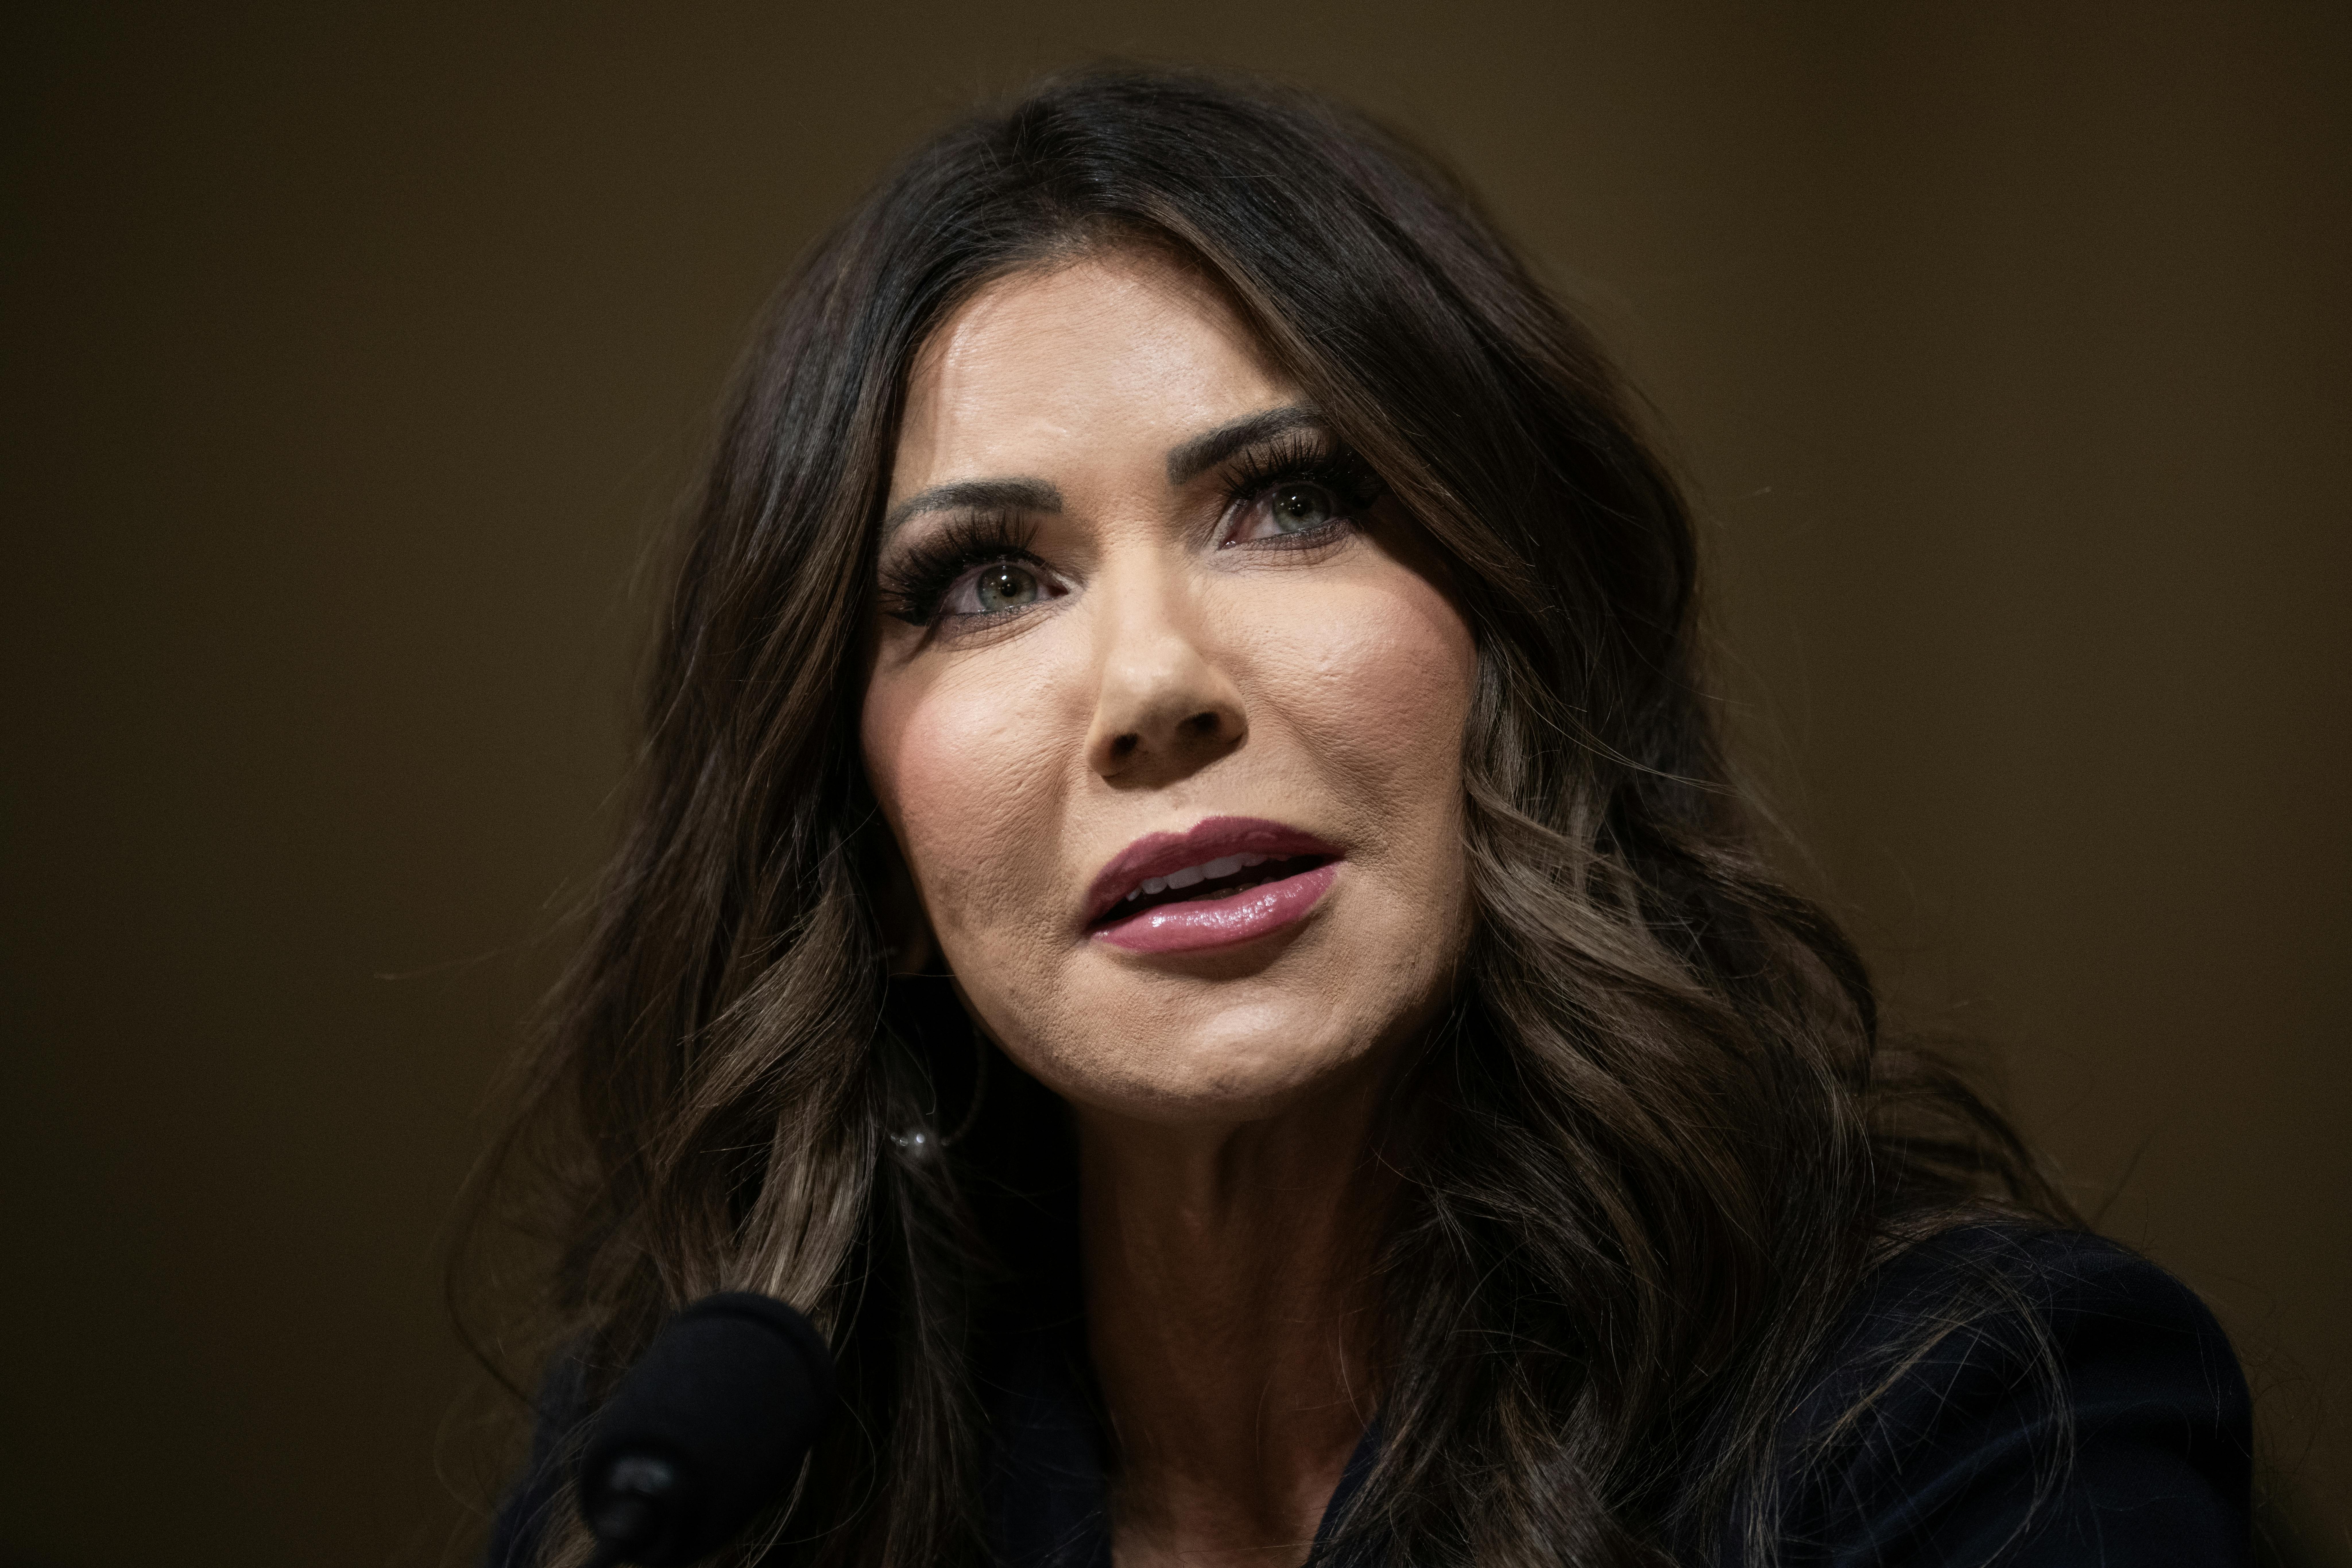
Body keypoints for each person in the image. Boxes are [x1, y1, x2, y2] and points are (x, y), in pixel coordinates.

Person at [474, 66, 2251, 1568]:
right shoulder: (707, 1485)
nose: (1157, 682)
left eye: (1291, 499)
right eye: (988, 581)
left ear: (1511, 648)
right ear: (862, 841)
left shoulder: (1975, 1424)